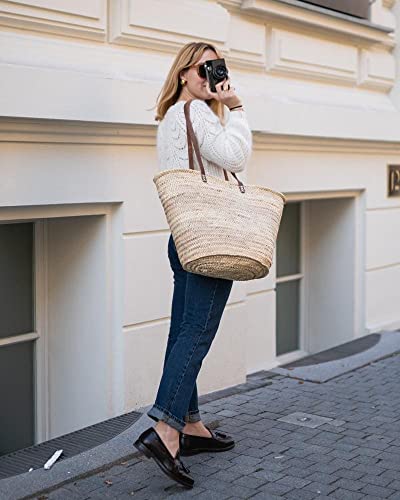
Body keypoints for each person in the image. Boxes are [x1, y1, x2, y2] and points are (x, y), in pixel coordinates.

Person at [134, 41, 252, 489]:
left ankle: (192, 424)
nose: (211, 74)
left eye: (217, 66)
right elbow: (236, 158)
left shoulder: (170, 117)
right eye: (204, 67)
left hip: (182, 237)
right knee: (197, 333)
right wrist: (235, 106)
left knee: (182, 331)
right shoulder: (198, 113)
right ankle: (166, 430)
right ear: (185, 72)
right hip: (209, 239)